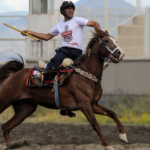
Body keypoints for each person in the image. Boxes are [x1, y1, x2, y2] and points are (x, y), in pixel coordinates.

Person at [21, 1, 101, 117]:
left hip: (78, 53)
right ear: (63, 11)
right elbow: (47, 37)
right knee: (55, 63)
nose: (70, 10)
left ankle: (66, 107)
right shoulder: (59, 25)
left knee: (76, 77)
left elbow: (94, 23)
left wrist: (100, 33)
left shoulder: (78, 20)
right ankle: (40, 77)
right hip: (64, 50)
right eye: (68, 9)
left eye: (71, 8)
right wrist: (30, 32)